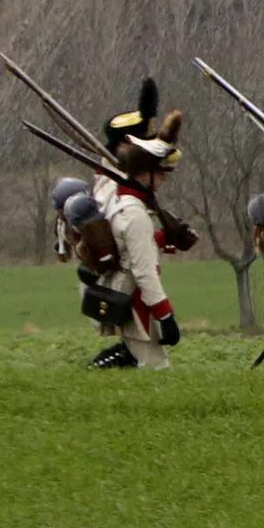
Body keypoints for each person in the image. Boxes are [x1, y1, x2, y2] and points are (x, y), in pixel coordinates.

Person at [86, 82, 183, 369]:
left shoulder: (126, 199)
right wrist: (165, 315)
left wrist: (165, 237)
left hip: (130, 291)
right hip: (135, 295)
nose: (165, 178)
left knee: (137, 363)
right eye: (161, 171)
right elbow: (141, 267)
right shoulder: (128, 205)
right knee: (155, 368)